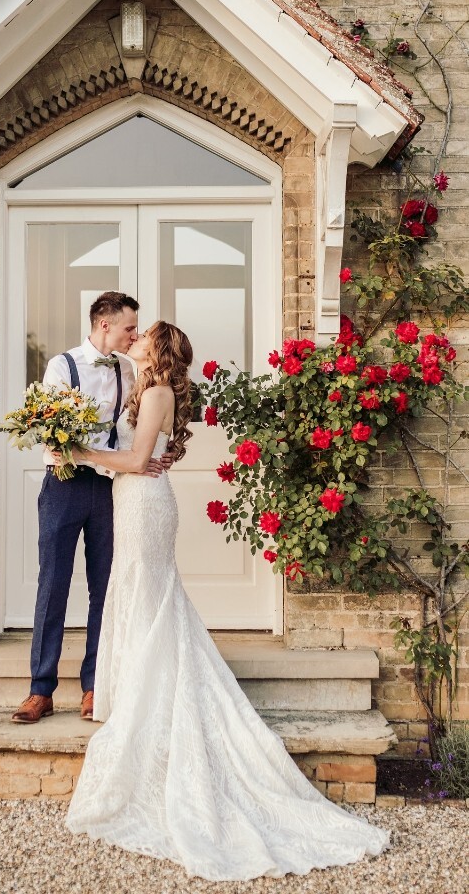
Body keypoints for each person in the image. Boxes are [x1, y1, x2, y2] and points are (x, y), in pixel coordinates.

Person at [61, 320, 390, 882]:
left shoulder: (159, 391)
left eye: (144, 336)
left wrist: (79, 452)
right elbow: (146, 454)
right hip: (137, 502)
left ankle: (149, 701)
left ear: (156, 351)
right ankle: (138, 689)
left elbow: (140, 461)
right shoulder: (145, 389)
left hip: (144, 502)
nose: (135, 339)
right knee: (139, 591)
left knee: (148, 591)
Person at [12, 291, 166, 725]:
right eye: (129, 327)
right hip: (62, 485)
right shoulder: (63, 366)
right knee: (53, 585)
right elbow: (47, 425)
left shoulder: (130, 369)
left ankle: (95, 686)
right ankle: (40, 691)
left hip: (109, 487)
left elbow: (140, 424)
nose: (135, 334)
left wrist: (155, 453)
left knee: (105, 587)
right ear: (105, 325)